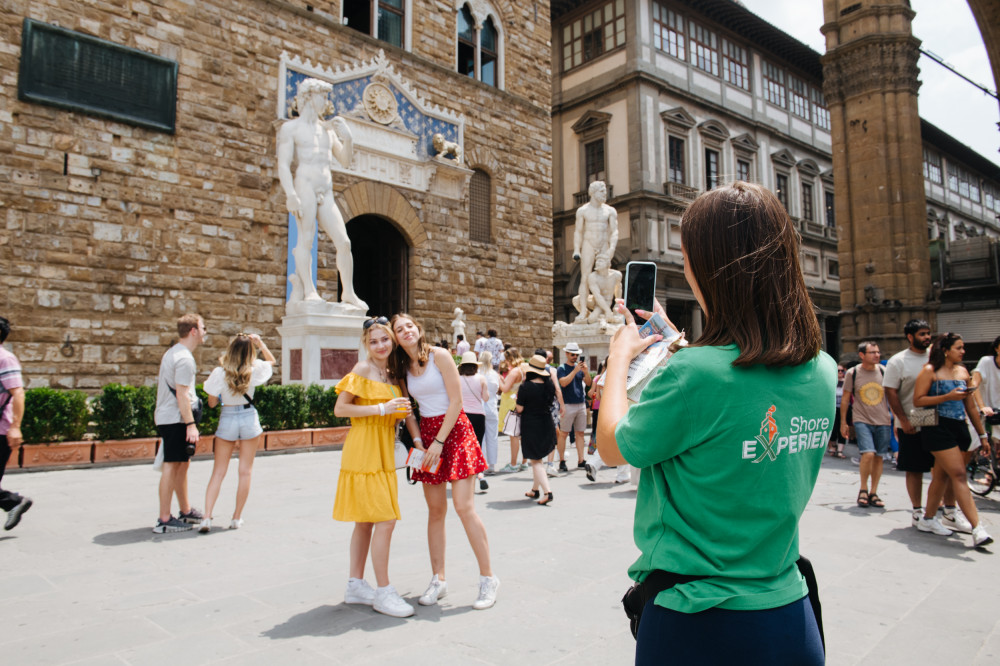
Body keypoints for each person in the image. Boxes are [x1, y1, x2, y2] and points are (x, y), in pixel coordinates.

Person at [597, 182, 830, 664]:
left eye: (687, 257)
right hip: (789, 611)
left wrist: (619, 359)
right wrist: (667, 334)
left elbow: (612, 446)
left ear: (711, 269)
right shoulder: (822, 369)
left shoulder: (693, 375)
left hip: (699, 621)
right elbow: (735, 382)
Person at [390, 314, 499, 610]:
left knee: (464, 507)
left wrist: (438, 441)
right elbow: (408, 412)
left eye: (409, 326)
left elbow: (456, 401)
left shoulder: (439, 356)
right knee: (435, 511)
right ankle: (438, 579)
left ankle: (488, 578)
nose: (406, 331)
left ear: (418, 329)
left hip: (455, 431)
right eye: (400, 329)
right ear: (396, 338)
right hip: (426, 435)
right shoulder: (401, 368)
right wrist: (419, 442)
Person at [332, 317, 415, 618]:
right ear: (366, 344)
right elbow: (340, 408)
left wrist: (398, 415)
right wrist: (381, 408)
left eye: (384, 339)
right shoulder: (363, 368)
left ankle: (355, 584)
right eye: (373, 341)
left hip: (383, 448)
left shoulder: (392, 374)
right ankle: (383, 591)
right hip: (364, 448)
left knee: (366, 520)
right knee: (386, 519)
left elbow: (400, 412)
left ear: (392, 341)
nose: (380, 345)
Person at [276, 77, 367, 311]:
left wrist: (348, 138)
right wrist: (290, 194)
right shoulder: (291, 129)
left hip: (326, 190)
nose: (326, 102)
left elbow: (345, 160)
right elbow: (284, 164)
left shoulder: (327, 131)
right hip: (304, 186)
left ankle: (348, 292)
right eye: (323, 96)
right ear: (308, 97)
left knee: (344, 241)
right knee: (306, 239)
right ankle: (309, 291)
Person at [912, 333, 993, 546]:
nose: (963, 351)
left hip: (959, 427)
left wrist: (982, 434)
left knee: (941, 476)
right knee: (958, 474)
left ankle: (928, 519)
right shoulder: (929, 371)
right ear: (946, 350)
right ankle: (978, 528)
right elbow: (918, 400)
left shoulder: (963, 371)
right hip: (936, 427)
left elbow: (970, 406)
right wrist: (947, 397)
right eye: (959, 347)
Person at [883, 319, 965, 531]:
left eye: (928, 333)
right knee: (915, 467)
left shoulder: (938, 356)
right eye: (922, 334)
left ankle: (949, 511)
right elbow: (891, 392)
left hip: (941, 420)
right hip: (914, 417)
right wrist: (902, 419)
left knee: (945, 469)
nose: (927, 337)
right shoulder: (898, 361)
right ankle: (918, 511)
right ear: (910, 337)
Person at [199, 333, 276, 532]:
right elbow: (272, 361)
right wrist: (260, 343)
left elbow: (212, 402)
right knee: (245, 472)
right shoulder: (255, 369)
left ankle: (206, 517)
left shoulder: (219, 372)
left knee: (218, 472)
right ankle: (236, 517)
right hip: (248, 417)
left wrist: (223, 397)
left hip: (228, 417)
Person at [152, 314, 207, 534]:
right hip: (176, 418)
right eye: (203, 327)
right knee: (172, 465)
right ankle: (164, 519)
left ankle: (185, 511)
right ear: (193, 330)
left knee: (181, 464)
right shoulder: (184, 358)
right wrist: (190, 424)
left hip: (172, 417)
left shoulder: (174, 353)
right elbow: (182, 395)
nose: (205, 331)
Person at [840, 342, 891, 508]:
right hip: (861, 419)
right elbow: (846, 399)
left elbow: (891, 396)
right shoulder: (852, 373)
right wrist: (843, 422)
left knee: (879, 457)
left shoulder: (884, 372)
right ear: (862, 355)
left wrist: (896, 419)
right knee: (868, 454)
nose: (877, 355)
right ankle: (863, 488)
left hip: (883, 419)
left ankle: (873, 492)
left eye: (878, 352)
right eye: (872, 352)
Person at [0, 317, 31, 531]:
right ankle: (13, 502)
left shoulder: (5, 359)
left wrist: (15, 427)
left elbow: (18, 392)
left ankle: (13, 502)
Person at [573, 180, 619, 323]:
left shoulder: (610, 210)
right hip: (588, 243)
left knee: (606, 276)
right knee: (585, 277)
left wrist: (612, 248)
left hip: (603, 244)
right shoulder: (583, 211)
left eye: (605, 191)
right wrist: (576, 249)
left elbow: (614, 231)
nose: (605, 194)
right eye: (601, 191)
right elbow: (578, 232)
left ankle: (610, 309)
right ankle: (583, 311)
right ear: (593, 193)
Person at [516, 355, 557, 505]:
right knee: (537, 458)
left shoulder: (525, 387)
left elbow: (519, 409)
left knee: (535, 460)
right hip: (546, 423)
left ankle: (547, 491)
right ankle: (535, 489)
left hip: (531, 425)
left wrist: (517, 402)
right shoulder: (549, 385)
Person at [585, 360, 630, 484]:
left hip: (607, 412)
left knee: (616, 441)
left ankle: (594, 463)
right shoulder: (624, 373)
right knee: (623, 442)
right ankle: (622, 474)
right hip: (622, 410)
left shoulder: (604, 376)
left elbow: (598, 396)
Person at [556, 342, 592, 472]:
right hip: (568, 404)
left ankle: (581, 460)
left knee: (580, 433)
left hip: (580, 403)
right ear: (566, 354)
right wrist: (575, 371)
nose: (574, 357)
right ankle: (561, 460)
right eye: (572, 354)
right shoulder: (562, 368)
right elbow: (563, 383)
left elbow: (588, 383)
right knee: (564, 433)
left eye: (576, 355)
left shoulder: (580, 368)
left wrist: (586, 372)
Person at [458, 351, 490, 492]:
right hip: (478, 415)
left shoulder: (458, 379)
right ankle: (480, 475)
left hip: (462, 415)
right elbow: (486, 398)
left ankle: (465, 474)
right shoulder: (481, 378)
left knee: (462, 446)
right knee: (477, 445)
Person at [498, 347, 526, 473]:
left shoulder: (514, 371)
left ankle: (513, 463)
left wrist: (498, 378)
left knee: (513, 435)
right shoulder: (522, 370)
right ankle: (524, 461)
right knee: (520, 435)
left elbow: (504, 388)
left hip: (510, 403)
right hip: (517, 399)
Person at [478, 351, 501, 474]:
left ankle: (483, 463)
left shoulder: (477, 374)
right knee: (492, 436)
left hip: (480, 406)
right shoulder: (493, 374)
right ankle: (491, 464)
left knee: (480, 437)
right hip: (491, 406)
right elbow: (497, 389)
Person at [971, 334, 1000, 425]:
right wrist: (982, 407)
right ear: (996, 349)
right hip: (981, 412)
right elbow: (974, 384)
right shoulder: (986, 361)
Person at [827, 364, 848, 459]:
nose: (840, 372)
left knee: (843, 429)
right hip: (833, 408)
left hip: (844, 409)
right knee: (833, 429)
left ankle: (840, 450)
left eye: (842, 371)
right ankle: (833, 446)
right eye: (838, 371)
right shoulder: (831, 381)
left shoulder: (847, 382)